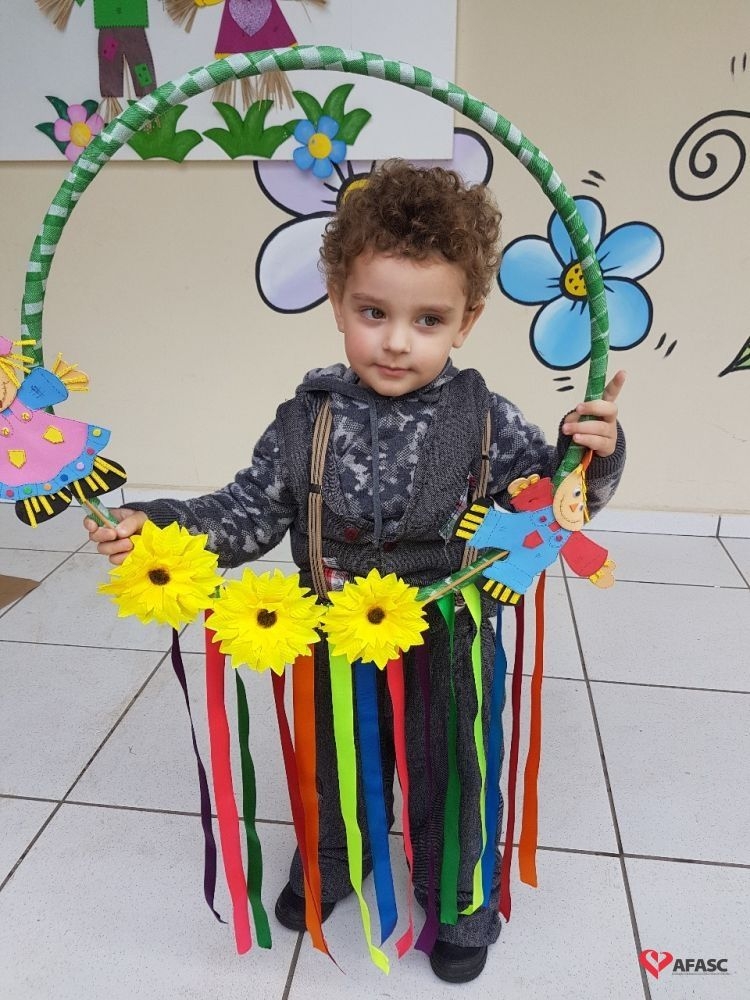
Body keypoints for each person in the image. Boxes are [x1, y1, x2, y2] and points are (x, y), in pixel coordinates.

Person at [86, 161, 626, 983]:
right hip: (334, 632)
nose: (398, 341)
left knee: (455, 766)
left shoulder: (489, 418)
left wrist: (595, 456)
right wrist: (161, 525)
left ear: (467, 321)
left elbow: (559, 501)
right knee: (337, 759)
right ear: (338, 302)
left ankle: (458, 898)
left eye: (428, 319)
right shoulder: (306, 419)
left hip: (449, 635)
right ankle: (336, 858)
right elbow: (247, 510)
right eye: (374, 312)